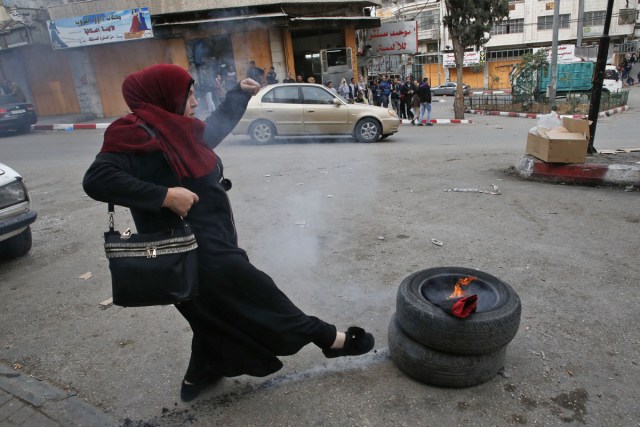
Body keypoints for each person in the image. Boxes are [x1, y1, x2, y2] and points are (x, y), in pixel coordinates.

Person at [82, 64, 374, 403]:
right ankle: (330, 340)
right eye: (186, 93)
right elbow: (96, 180)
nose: (193, 100)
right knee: (259, 295)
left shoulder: (174, 128)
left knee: (209, 313)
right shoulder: (132, 134)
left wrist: (238, 95)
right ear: (163, 95)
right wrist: (164, 196)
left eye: (191, 92)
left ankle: (200, 373)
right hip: (187, 249)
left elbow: (210, 132)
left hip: (214, 237)